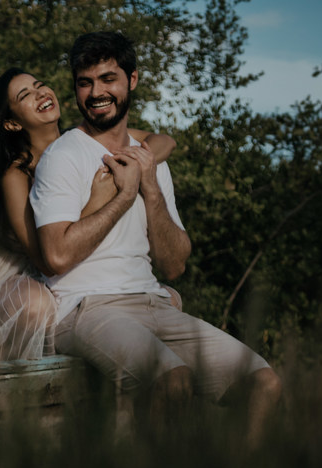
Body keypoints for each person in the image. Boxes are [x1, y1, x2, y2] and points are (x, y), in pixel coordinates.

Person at [30, 31, 281, 441]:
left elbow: (174, 263)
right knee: (172, 380)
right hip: (86, 307)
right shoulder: (63, 157)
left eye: (108, 79)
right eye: (85, 82)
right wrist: (123, 195)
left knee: (264, 385)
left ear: (133, 80)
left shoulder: (150, 158)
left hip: (154, 301)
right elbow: (56, 256)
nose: (96, 92)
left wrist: (148, 188)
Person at [0, 67, 179, 365]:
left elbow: (164, 141)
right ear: (11, 123)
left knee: (171, 297)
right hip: (31, 274)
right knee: (37, 306)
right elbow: (44, 258)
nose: (40, 94)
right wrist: (99, 199)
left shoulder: (81, 140)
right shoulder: (16, 172)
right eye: (25, 96)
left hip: (79, 263)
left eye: (39, 85)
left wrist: (137, 164)